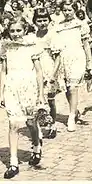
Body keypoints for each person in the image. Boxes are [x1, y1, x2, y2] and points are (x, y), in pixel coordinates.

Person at [0, 16, 46, 179]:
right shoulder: (6, 47)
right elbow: (3, 71)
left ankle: (36, 146)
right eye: (12, 30)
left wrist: (41, 94)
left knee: (31, 122)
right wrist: (0, 92)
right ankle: (13, 162)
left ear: (25, 30)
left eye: (19, 30)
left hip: (29, 87)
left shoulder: (31, 46)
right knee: (13, 124)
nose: (15, 34)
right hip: (12, 87)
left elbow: (39, 71)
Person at [52, 1, 92, 132]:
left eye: (70, 10)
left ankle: (71, 117)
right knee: (67, 89)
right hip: (64, 58)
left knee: (73, 87)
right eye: (65, 10)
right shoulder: (58, 26)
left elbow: (86, 45)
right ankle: (74, 111)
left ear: (75, 10)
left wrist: (89, 62)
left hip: (77, 57)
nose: (67, 12)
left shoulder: (81, 25)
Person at [33, 8, 64, 138]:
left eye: (45, 20)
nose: (42, 23)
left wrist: (53, 74)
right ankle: (38, 127)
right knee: (37, 100)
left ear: (49, 20)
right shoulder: (32, 36)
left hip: (49, 68)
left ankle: (53, 124)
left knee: (50, 100)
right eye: (39, 20)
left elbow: (58, 57)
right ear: (34, 21)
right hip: (35, 69)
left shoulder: (52, 35)